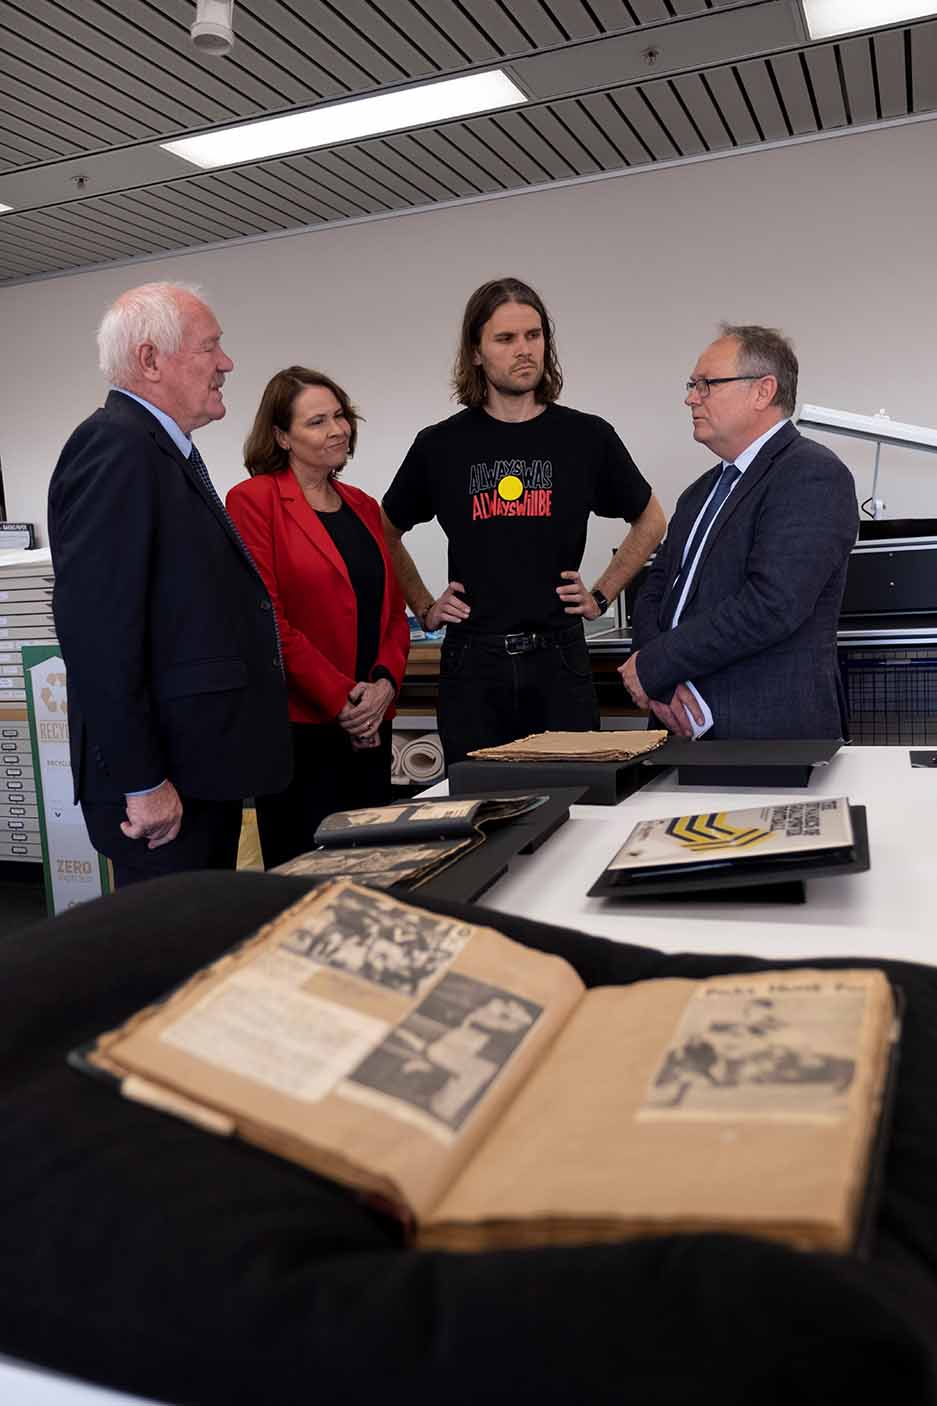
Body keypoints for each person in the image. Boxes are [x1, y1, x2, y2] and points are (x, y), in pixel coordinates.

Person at [48, 281, 290, 888]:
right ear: (152, 360)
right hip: (164, 787)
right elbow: (98, 637)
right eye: (211, 347)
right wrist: (143, 782)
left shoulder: (159, 449)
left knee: (200, 954)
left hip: (198, 770)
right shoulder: (114, 447)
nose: (227, 364)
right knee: (169, 967)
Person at [381, 276, 666, 767]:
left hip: (559, 660)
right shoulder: (440, 446)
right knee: (478, 814)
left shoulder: (586, 437)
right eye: (506, 339)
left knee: (574, 806)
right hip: (473, 664)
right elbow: (383, 529)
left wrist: (603, 593)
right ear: (476, 352)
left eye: (534, 336)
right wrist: (424, 605)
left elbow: (652, 519)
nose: (524, 350)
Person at [622, 323, 858, 740]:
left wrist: (655, 665)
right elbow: (656, 588)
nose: (690, 397)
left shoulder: (812, 474)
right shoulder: (698, 493)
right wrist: (657, 679)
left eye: (706, 384)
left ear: (762, 391)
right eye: (692, 385)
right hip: (676, 726)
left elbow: (770, 605)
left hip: (767, 737)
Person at [226, 367, 409, 869]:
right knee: (305, 879)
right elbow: (268, 622)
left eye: (340, 416)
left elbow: (393, 613)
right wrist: (344, 700)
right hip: (300, 732)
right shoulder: (253, 501)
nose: (337, 429)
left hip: (370, 726)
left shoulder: (364, 506)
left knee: (373, 871)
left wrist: (383, 687)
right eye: (317, 421)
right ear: (282, 436)